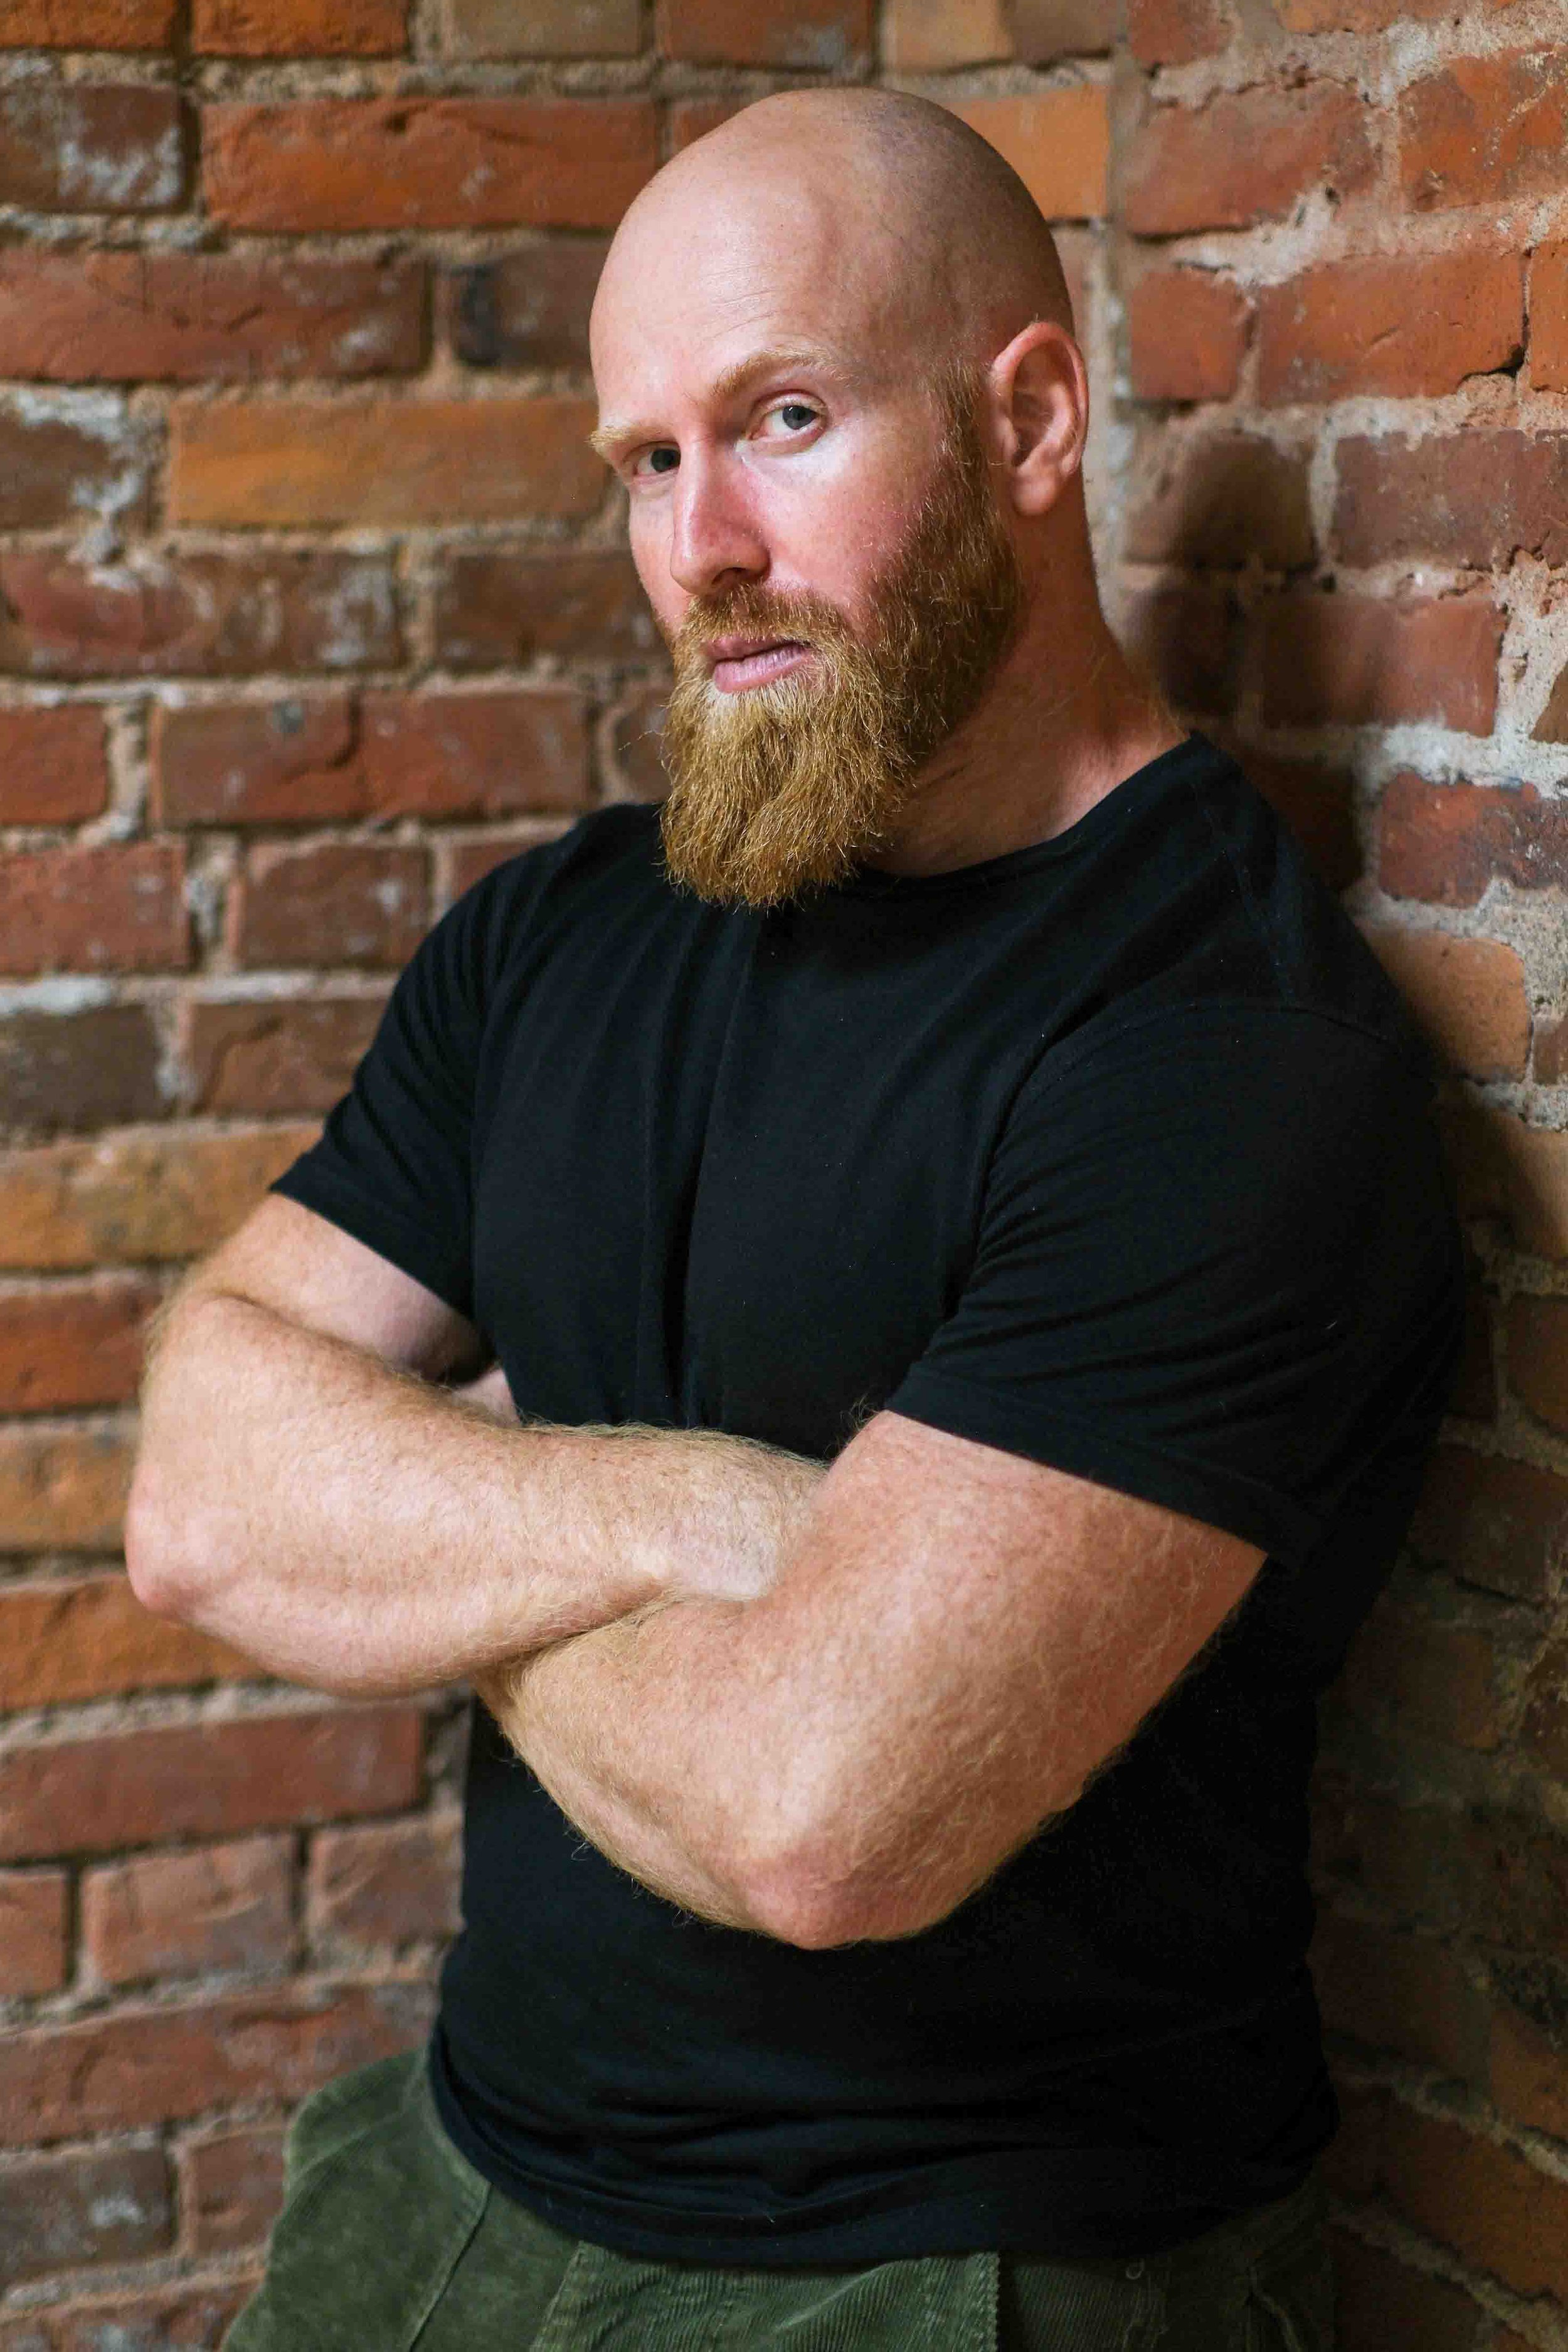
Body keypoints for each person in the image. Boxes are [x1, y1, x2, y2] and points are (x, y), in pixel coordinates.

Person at [127, 85, 1463, 2352]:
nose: (701, 545)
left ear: (1027, 423)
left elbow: (817, 1818)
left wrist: (425, 1533)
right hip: (444, 2185)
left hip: (948, 2270)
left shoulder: (1221, 1051)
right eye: (646, 459)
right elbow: (193, 1494)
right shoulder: (559, 935)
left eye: (782, 420)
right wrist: (701, 1518)